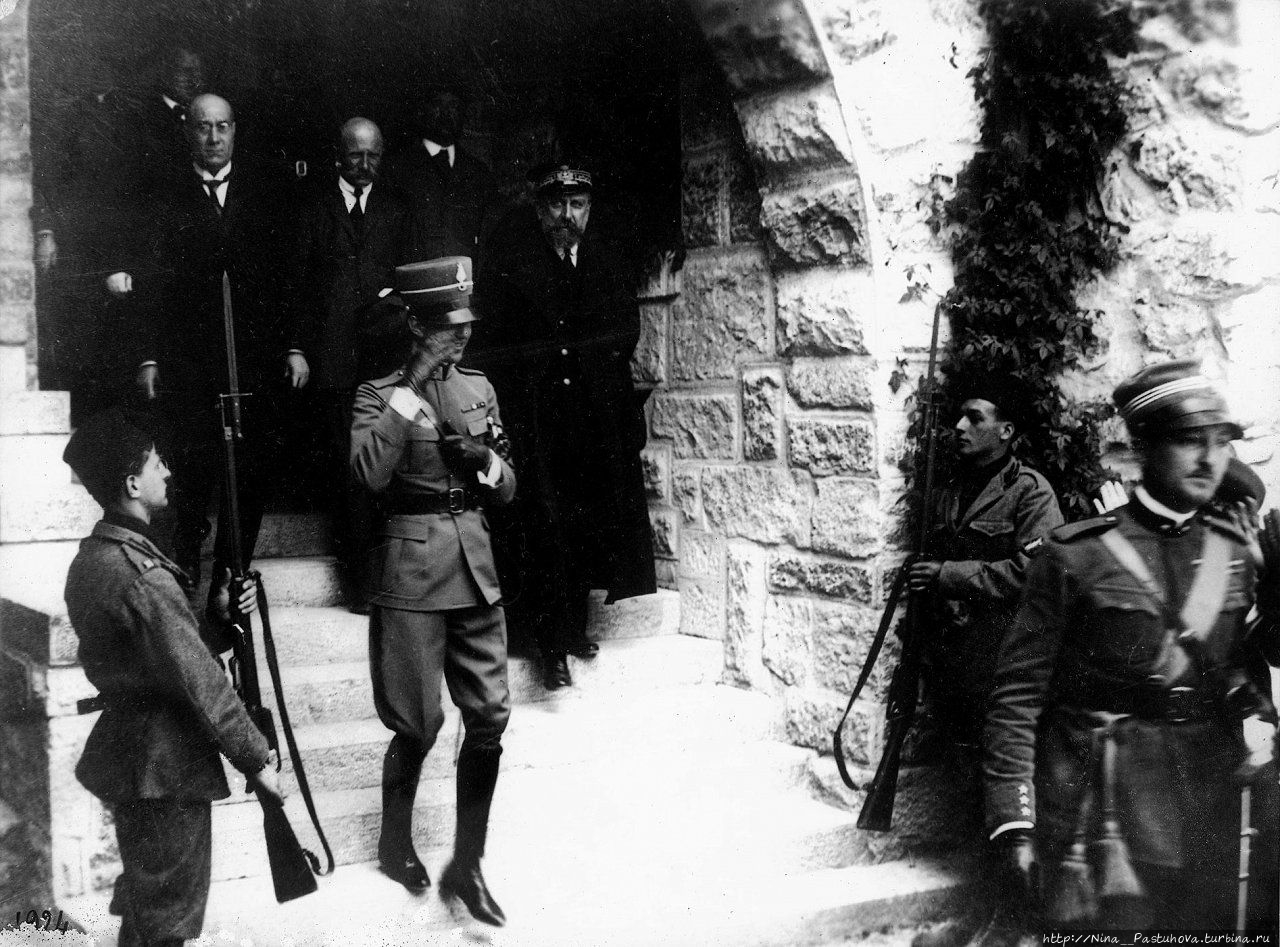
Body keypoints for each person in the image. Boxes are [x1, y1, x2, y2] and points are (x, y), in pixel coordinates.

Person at [983, 359, 1280, 936]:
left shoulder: (1233, 553)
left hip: (1211, 806)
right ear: (1143, 447)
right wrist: (1014, 825)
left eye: (1222, 443)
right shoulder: (1075, 555)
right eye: (1190, 441)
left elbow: (1247, 674)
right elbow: (1017, 699)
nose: (1210, 459)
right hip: (1103, 816)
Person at [61, 405, 280, 947]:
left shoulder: (96, 558)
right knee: (167, 921)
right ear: (133, 484)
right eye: (157, 464)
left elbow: (161, 655)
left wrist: (220, 620)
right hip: (168, 763)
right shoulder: (143, 575)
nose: (168, 472)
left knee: (147, 907)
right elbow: (201, 683)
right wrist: (257, 760)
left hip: (135, 756)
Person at [350, 257, 514, 926]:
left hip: (474, 565)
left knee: (491, 717)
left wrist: (488, 463)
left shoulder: (479, 388)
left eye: (468, 321)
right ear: (417, 325)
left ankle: (466, 864)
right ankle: (394, 844)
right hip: (413, 572)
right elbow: (368, 471)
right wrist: (412, 381)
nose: (464, 335)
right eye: (451, 324)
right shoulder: (378, 394)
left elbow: (509, 483)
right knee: (418, 723)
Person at [474, 161, 656, 689]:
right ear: (540, 209)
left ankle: (572, 630)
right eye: (557, 204)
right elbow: (494, 346)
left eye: (577, 205)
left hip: (590, 421)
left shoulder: (605, 265)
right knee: (542, 526)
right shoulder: (513, 266)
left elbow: (625, 331)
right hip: (535, 420)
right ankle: (548, 645)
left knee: (583, 524)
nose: (567, 215)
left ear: (589, 209)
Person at [906, 374, 1063, 947]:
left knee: (1006, 789)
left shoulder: (1031, 492)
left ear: (1007, 430)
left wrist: (950, 576)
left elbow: (1036, 574)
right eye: (960, 416)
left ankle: (1009, 916)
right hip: (956, 661)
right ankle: (980, 909)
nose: (960, 427)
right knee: (967, 784)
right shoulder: (949, 490)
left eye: (975, 417)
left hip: (1004, 663)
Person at [122, 93, 293, 589]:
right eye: (203, 127)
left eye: (222, 127)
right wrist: (148, 357)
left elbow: (286, 278)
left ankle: (231, 569)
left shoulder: (264, 194)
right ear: (188, 132)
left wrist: (292, 347)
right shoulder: (165, 195)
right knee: (191, 459)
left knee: (251, 465)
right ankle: (187, 558)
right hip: (189, 356)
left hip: (252, 354)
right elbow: (150, 282)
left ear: (235, 130)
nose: (214, 138)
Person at [284, 117, 416, 608]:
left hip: (385, 360)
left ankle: (388, 578)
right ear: (338, 155)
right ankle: (360, 585)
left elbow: (411, 276)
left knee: (386, 466)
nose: (364, 165)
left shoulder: (398, 209)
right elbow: (296, 283)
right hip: (333, 360)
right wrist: (296, 348)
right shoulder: (313, 208)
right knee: (348, 471)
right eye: (355, 155)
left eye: (372, 155)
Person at [384, 88, 498, 261]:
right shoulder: (396, 170)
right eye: (437, 104)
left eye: (454, 106)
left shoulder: (479, 173)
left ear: (463, 114)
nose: (446, 113)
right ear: (422, 111)